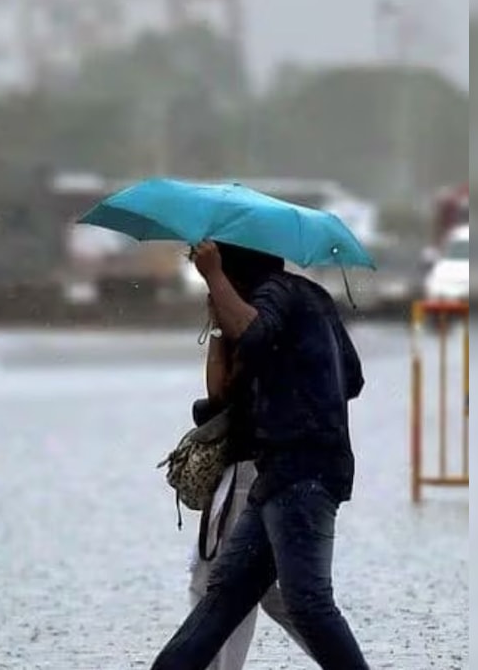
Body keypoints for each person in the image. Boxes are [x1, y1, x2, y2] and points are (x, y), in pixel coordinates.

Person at [152, 241, 368, 670]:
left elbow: (254, 332)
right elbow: (352, 377)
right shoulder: (304, 300)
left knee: (306, 603)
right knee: (224, 598)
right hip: (281, 475)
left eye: (218, 264)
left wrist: (213, 275)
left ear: (234, 265)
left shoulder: (276, 295)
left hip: (302, 473)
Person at [187, 297, 310, 670]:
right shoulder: (285, 305)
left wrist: (218, 327)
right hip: (272, 462)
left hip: (247, 467)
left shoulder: (248, 310)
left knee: (217, 578)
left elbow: (220, 391)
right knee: (273, 589)